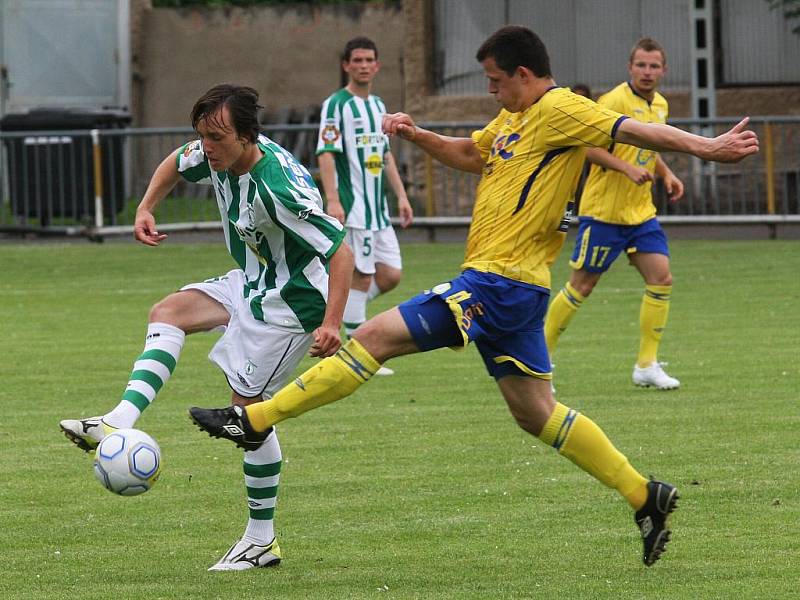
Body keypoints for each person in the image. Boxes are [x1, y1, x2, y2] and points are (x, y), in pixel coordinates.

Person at [189, 27, 758, 566]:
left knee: (375, 336)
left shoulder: (559, 109)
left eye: (495, 80)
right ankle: (643, 494)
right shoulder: (514, 120)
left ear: (525, 73)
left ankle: (256, 418)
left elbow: (634, 131)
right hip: (517, 287)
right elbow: (472, 154)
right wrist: (419, 137)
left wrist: (710, 148)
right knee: (536, 413)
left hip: (498, 281)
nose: (490, 90)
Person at [59, 84, 353, 571]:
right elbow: (177, 160)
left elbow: (340, 251)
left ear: (247, 136)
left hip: (292, 304)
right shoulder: (217, 154)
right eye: (203, 136)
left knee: (247, 415)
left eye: (216, 138)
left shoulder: (278, 188)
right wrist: (146, 206)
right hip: (252, 280)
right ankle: (117, 421)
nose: (206, 147)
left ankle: (260, 541)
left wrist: (333, 322)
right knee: (167, 312)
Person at [544, 38, 685, 390]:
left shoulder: (661, 105)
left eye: (654, 66)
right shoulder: (612, 102)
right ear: (629, 67)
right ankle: (538, 357)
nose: (647, 72)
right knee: (582, 286)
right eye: (641, 65)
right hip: (604, 213)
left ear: (664, 70)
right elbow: (586, 146)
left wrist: (666, 173)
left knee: (662, 279)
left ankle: (647, 365)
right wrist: (624, 168)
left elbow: (652, 142)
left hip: (640, 214)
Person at [317, 36, 414, 376]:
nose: (363, 65)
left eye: (368, 60)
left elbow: (385, 155)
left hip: (378, 209)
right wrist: (332, 199)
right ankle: (357, 351)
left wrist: (400, 196)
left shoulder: (378, 106)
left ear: (377, 65)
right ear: (346, 65)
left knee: (390, 274)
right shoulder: (336, 104)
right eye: (356, 60)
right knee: (362, 274)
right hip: (353, 206)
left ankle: (338, 312)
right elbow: (326, 152)